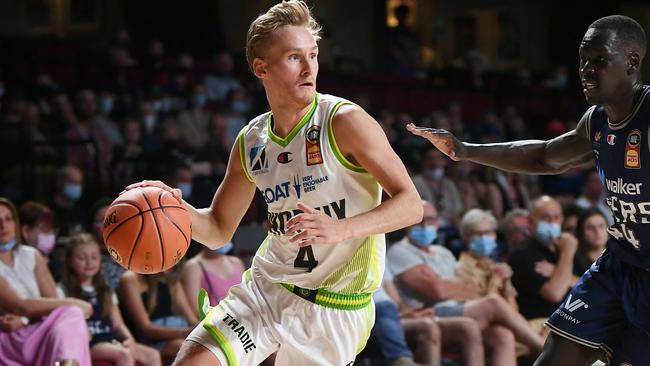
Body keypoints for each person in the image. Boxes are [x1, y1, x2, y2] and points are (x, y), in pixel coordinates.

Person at [125, 1, 422, 365]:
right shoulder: (251, 141)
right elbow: (219, 230)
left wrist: (341, 229)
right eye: (294, 57)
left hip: (333, 309)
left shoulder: (344, 121)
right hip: (266, 289)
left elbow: (411, 204)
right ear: (261, 68)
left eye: (312, 55)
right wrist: (170, 208)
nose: (310, 67)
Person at [407, 14, 650, 365]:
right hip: (619, 265)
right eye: (583, 61)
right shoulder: (597, 121)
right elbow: (544, 156)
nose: (586, 70)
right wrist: (466, 150)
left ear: (631, 63)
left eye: (599, 61)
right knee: (554, 356)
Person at [387, 201, 544, 365]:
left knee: (502, 335)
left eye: (431, 220)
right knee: (493, 303)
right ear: (408, 222)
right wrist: (451, 285)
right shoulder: (401, 252)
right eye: (419, 220)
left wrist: (443, 283)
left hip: (459, 309)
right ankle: (542, 350)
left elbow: (472, 291)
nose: (425, 225)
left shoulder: (443, 252)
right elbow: (438, 291)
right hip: (430, 312)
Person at [0, 197, 93, 365]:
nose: (3, 225)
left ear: (15, 223)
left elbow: (52, 304)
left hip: (35, 327)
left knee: (70, 317)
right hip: (10, 338)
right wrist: (73, 302)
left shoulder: (31, 255)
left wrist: (24, 319)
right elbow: (20, 306)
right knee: (73, 313)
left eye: (8, 219)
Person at [59, 233, 161, 366]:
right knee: (123, 354)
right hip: (91, 342)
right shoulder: (63, 290)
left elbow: (118, 324)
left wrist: (130, 340)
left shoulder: (105, 289)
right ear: (70, 260)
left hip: (110, 338)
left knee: (152, 355)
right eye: (82, 258)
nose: (89, 262)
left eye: (94, 257)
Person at [181, 242, 245, 320]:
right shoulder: (193, 266)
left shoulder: (236, 262)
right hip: (218, 326)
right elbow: (197, 311)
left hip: (245, 323)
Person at [573, 208, 609, 275]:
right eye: (590, 227)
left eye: (601, 226)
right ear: (581, 232)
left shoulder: (619, 257)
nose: (597, 231)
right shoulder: (575, 262)